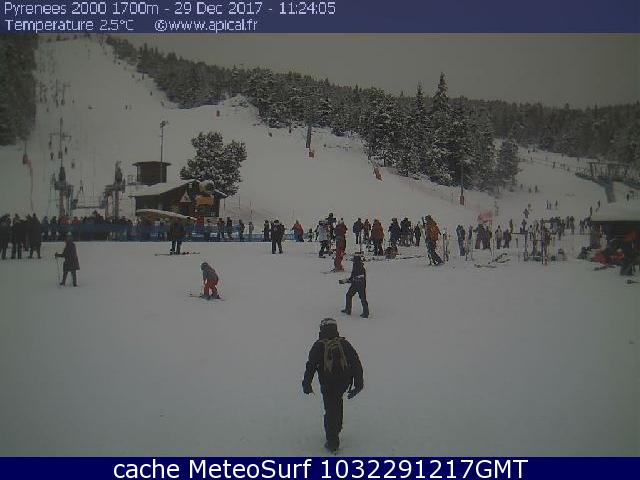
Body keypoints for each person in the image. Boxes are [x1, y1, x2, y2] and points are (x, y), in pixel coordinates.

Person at [302, 318, 364, 453]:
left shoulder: (318, 346)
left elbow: (310, 366)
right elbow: (355, 362)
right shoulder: (344, 343)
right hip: (343, 383)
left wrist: (306, 383)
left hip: (328, 384)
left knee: (330, 410)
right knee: (337, 404)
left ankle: (332, 442)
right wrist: (359, 383)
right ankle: (337, 428)